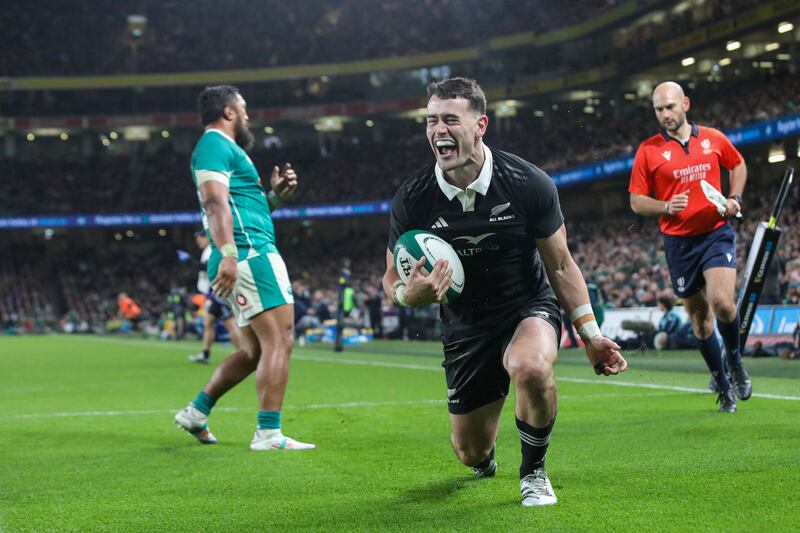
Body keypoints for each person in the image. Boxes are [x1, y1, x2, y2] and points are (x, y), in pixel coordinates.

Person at [382, 77, 627, 507]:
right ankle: (486, 455)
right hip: (465, 323)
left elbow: (562, 264)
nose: (439, 130)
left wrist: (590, 335)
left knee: (531, 368)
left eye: (451, 120)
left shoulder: (528, 183)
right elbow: (390, 277)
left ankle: (533, 472)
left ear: (480, 125)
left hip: (525, 305)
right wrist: (408, 295)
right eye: (431, 121)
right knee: (470, 453)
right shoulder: (413, 198)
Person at [173, 85, 313, 451]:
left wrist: (275, 197)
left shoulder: (228, 151)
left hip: (246, 250)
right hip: (250, 254)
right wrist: (230, 253)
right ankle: (268, 433)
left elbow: (242, 208)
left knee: (253, 352)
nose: (248, 116)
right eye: (244, 109)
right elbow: (215, 203)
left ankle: (196, 412)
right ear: (229, 112)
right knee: (280, 340)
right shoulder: (215, 145)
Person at [628, 81, 752, 413]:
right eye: (658, 109)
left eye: (669, 107)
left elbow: (737, 165)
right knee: (699, 318)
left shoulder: (712, 137)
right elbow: (637, 202)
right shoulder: (648, 150)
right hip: (679, 243)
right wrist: (666, 206)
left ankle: (736, 361)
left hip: (716, 232)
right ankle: (723, 386)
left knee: (723, 303)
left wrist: (734, 198)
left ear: (685, 103)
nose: (664, 114)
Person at [187, 231, 243, 364]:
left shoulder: (213, 249)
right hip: (213, 293)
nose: (198, 242)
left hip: (218, 292)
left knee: (230, 324)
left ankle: (243, 355)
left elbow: (206, 267)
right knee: (208, 322)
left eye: (200, 238)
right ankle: (205, 354)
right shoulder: (208, 250)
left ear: (206, 237)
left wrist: (189, 260)